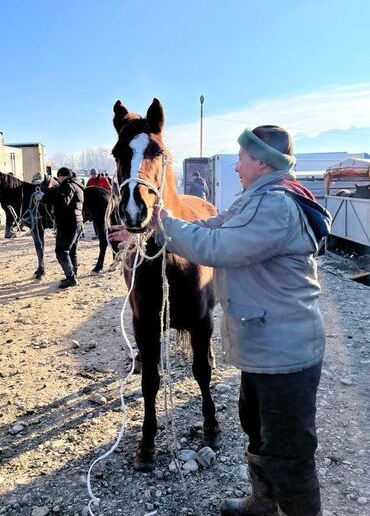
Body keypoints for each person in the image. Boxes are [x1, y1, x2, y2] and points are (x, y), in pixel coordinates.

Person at [110, 125, 331, 516]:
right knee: (257, 428)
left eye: (242, 158)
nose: (236, 167)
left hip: (285, 352)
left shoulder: (275, 206)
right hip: (265, 346)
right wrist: (148, 232)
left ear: (262, 161)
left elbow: (219, 246)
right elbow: (213, 225)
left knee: (289, 450)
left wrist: (161, 226)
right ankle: (262, 502)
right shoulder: (257, 199)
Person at [43, 167, 84, 288]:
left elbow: (62, 202)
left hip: (67, 224)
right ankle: (73, 274)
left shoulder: (68, 186)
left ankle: (71, 278)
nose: (58, 179)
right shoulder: (77, 185)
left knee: (62, 251)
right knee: (72, 251)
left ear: (62, 176)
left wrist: (44, 198)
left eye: (59, 176)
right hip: (77, 222)